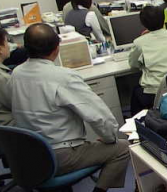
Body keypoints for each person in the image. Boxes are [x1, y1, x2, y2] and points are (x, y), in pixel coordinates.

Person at [10, 23, 129, 192]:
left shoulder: (16, 73)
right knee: (122, 148)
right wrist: (110, 138)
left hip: (30, 154)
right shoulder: (62, 77)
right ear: (56, 49)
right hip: (59, 156)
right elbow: (98, 116)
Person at [129, 6, 167, 115]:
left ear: (143, 24)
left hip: (154, 93)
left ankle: (137, 125)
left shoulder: (139, 42)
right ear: (163, 19)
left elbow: (133, 65)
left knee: (136, 91)